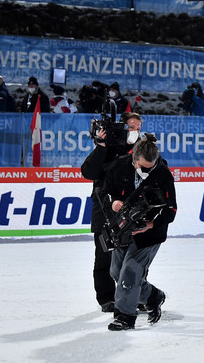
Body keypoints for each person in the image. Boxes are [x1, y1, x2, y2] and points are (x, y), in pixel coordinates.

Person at [101, 133, 177, 330]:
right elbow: (104, 193)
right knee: (116, 272)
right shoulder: (118, 167)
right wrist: (114, 203)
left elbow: (171, 210)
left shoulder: (163, 174)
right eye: (143, 167)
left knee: (130, 273)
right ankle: (153, 296)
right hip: (123, 228)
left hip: (150, 233)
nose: (147, 171)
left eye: (151, 167)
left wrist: (151, 224)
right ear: (134, 159)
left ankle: (124, 316)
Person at [81, 112, 143, 313]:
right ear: (121, 127)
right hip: (104, 208)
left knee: (135, 255)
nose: (135, 131)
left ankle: (139, 295)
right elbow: (88, 172)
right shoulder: (106, 148)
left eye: (138, 128)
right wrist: (101, 146)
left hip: (132, 208)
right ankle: (107, 298)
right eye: (131, 127)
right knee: (104, 255)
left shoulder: (141, 148)